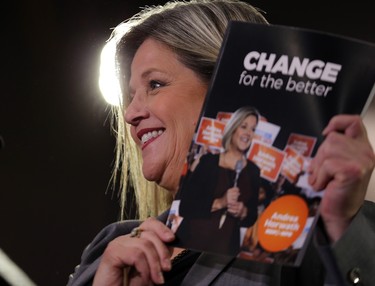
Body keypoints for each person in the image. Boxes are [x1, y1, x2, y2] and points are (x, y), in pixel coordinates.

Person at [67, 1, 375, 285]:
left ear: (225, 90)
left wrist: (340, 225)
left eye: (155, 84)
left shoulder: (329, 233)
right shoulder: (108, 249)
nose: (130, 114)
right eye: (131, 96)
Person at [175, 106, 261, 256]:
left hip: (225, 254)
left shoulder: (254, 171)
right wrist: (221, 202)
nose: (248, 133)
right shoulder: (208, 162)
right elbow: (185, 207)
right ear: (233, 128)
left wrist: (242, 211)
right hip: (189, 247)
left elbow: (251, 217)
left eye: (253, 129)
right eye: (244, 126)